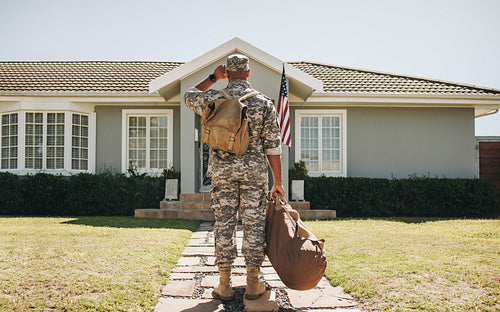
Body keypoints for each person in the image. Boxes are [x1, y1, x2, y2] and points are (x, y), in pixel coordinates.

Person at [184, 54, 285, 301]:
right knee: (254, 225)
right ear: (249, 73)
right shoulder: (263, 103)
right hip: (254, 176)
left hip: (222, 174)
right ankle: (252, 283)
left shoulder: (213, 98)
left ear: (227, 72)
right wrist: (278, 182)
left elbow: (188, 95)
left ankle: (224, 284)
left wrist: (212, 78)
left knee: (224, 225)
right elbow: (272, 146)